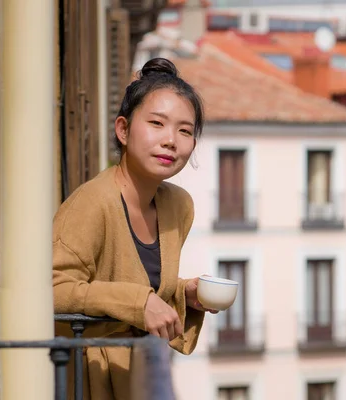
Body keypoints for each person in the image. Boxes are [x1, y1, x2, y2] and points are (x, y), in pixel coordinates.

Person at [52, 57, 212, 400]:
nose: (171, 140)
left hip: (141, 378)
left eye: (185, 130)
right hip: (88, 382)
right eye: (157, 123)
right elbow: (51, 290)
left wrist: (186, 295)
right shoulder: (92, 203)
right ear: (123, 129)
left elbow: (144, 284)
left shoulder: (178, 207)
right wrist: (137, 302)